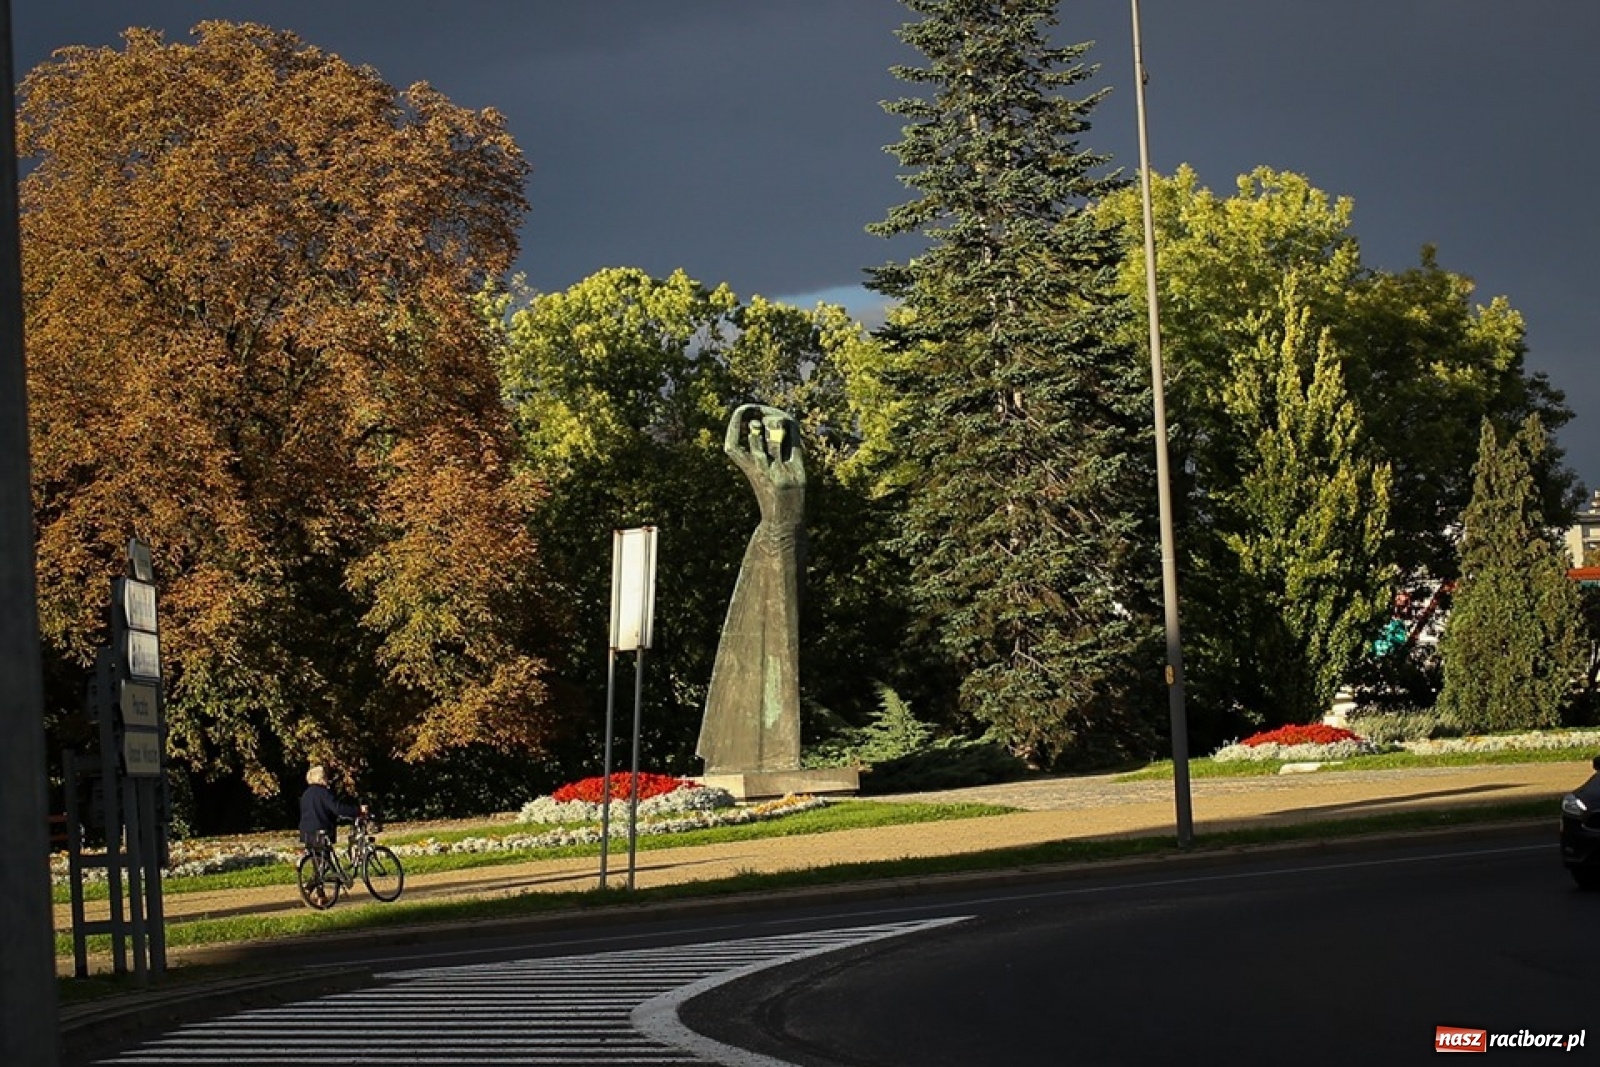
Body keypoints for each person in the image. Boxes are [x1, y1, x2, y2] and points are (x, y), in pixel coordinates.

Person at [298, 764, 365, 855]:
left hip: (307, 832)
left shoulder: (306, 794)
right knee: (324, 858)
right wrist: (358, 810)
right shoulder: (323, 792)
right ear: (320, 778)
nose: (327, 779)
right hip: (321, 831)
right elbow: (337, 808)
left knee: (317, 860)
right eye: (325, 776)